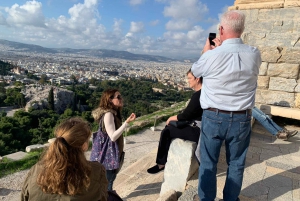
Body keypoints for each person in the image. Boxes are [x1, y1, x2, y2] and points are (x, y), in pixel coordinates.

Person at [191, 10, 262, 201]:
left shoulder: (212, 56)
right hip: (242, 117)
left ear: (220, 30)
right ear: (242, 29)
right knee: (237, 163)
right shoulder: (254, 54)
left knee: (208, 163)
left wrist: (207, 51)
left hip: (213, 116)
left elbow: (196, 71)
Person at [21, 117, 108, 201]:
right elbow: (103, 198)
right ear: (84, 146)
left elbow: (24, 197)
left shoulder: (36, 169)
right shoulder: (96, 171)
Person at [147, 69, 203, 174]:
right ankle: (162, 162)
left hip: (199, 131)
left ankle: (161, 164)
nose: (188, 81)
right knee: (171, 128)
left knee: (167, 131)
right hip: (204, 127)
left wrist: (171, 118)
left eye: (190, 78)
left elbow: (186, 115)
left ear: (197, 79)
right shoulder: (205, 92)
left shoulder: (198, 95)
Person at [90, 89, 136, 191]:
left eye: (120, 96)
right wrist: (126, 123)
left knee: (107, 182)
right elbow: (113, 136)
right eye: (118, 97)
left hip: (110, 155)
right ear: (110, 100)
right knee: (108, 184)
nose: (121, 99)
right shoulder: (108, 114)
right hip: (108, 157)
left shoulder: (114, 113)